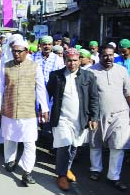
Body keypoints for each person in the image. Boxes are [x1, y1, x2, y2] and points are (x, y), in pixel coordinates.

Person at [0, 40, 49, 186]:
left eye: (19, 51)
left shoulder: (34, 67)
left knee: (30, 142)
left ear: (27, 52)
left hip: (28, 111)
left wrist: (44, 108)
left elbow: (41, 88)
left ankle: (27, 171)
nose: (16, 54)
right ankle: (10, 161)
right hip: (9, 109)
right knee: (9, 138)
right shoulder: (6, 66)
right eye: (14, 51)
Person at [47, 48, 99, 191]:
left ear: (79, 61)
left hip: (80, 118)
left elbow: (94, 98)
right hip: (62, 118)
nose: (72, 63)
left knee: (74, 147)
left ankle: (66, 168)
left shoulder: (88, 76)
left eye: (75, 60)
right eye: (69, 60)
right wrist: (44, 110)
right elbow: (47, 94)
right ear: (65, 60)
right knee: (64, 145)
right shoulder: (56, 76)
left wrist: (94, 117)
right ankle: (61, 175)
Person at [88, 45, 130, 191]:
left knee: (118, 145)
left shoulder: (122, 71)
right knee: (95, 143)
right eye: (105, 55)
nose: (108, 58)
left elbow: (128, 93)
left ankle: (114, 177)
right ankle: (95, 169)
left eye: (111, 55)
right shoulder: (91, 72)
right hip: (98, 115)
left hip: (120, 114)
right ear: (99, 56)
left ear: (114, 55)